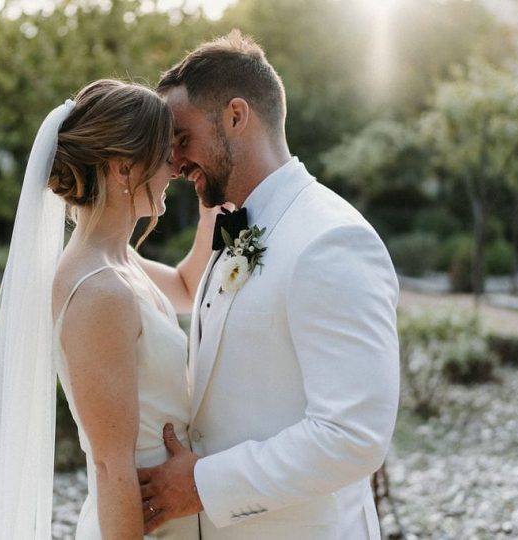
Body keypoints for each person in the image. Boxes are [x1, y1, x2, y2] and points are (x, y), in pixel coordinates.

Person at [136, 31, 401, 540]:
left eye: (182, 138)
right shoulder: (232, 224)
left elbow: (353, 437)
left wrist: (200, 485)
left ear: (237, 117)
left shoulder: (332, 240)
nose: (173, 163)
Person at [0, 79, 213, 540]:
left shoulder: (120, 261)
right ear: (122, 169)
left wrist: (210, 209)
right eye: (164, 157)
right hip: (143, 522)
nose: (174, 168)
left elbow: (184, 285)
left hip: (177, 509)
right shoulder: (100, 290)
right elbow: (109, 464)